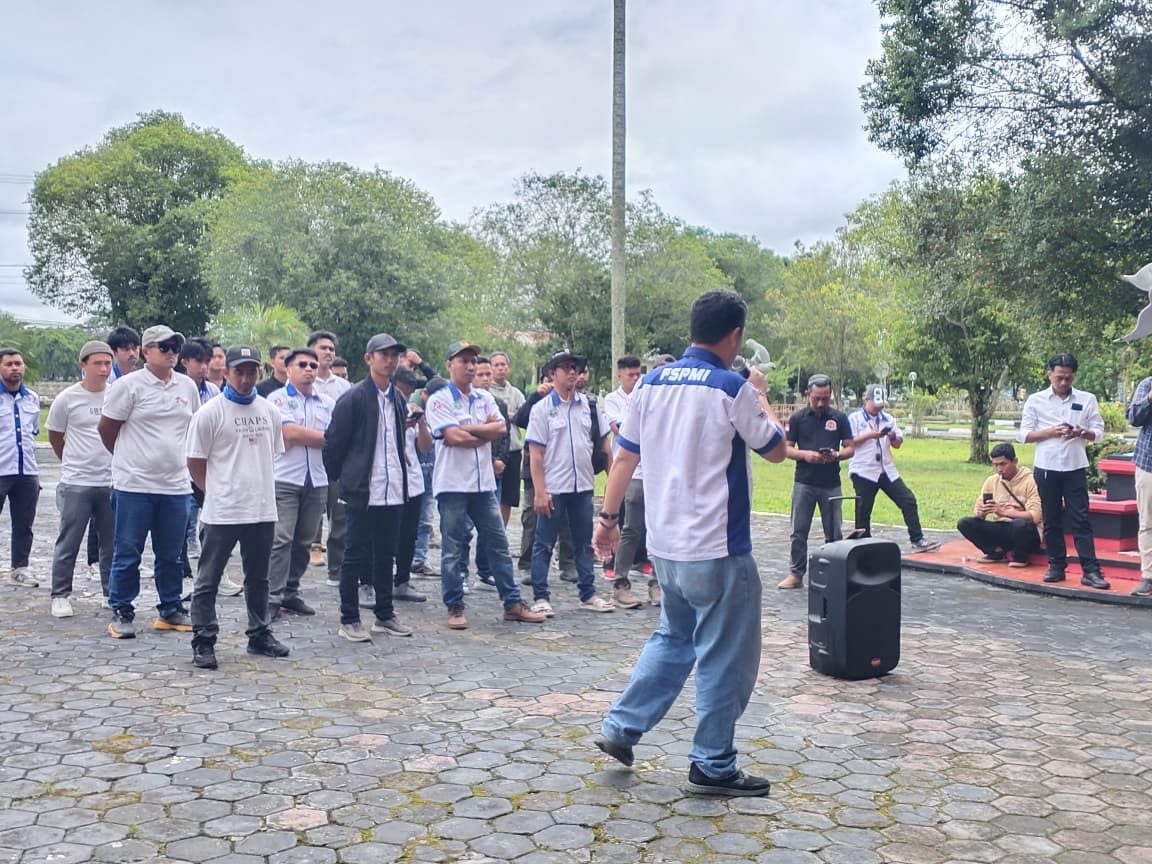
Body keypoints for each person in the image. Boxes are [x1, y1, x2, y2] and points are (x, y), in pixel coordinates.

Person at [592, 289, 787, 797]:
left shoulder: (650, 384)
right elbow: (776, 449)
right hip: (718, 548)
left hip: (666, 547)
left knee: (674, 639)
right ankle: (713, 763)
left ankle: (621, 727)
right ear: (735, 335)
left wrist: (607, 519)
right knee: (726, 656)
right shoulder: (731, 387)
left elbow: (624, 458)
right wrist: (760, 393)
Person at [425, 341, 546, 629]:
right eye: (463, 361)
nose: (469, 366)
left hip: (484, 485)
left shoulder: (484, 398)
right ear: (449, 365)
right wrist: (481, 433)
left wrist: (466, 428)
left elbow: (501, 428)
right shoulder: (439, 400)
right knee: (453, 549)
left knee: (498, 543)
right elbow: (453, 438)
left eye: (473, 361)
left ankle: (512, 603)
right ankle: (455, 605)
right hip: (453, 485)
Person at [187, 346, 288, 669]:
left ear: (259, 372)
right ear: (226, 372)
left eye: (251, 372)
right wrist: (216, 491)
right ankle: (204, 639)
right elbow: (195, 462)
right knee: (209, 579)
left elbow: (271, 454)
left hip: (261, 508)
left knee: (258, 578)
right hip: (222, 511)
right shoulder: (210, 413)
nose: (245, 379)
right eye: (239, 372)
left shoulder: (269, 411)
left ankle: (259, 634)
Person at [99, 325, 200, 638]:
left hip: (176, 486)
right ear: (146, 351)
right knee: (128, 552)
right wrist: (131, 459)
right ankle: (122, 609)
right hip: (134, 485)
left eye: (175, 347)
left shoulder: (187, 386)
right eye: (164, 347)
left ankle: (170, 608)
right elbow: (107, 429)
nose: (171, 352)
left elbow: (193, 430)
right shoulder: (128, 386)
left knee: (171, 554)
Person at [323, 333, 415, 642]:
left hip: (393, 489)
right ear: (368, 359)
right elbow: (333, 444)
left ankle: (384, 615)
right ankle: (349, 618)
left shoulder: (398, 399)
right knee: (355, 554)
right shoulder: (354, 398)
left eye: (394, 355)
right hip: (362, 490)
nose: (389, 360)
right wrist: (344, 480)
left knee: (386, 555)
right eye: (383, 354)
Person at [526, 350, 615, 616]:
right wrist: (539, 491)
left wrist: (612, 482)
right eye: (565, 367)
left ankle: (588, 593)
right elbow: (536, 454)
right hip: (554, 487)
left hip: (583, 486)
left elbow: (605, 447)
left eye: (575, 367)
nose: (572, 372)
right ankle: (541, 595)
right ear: (552, 374)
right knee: (544, 542)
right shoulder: (542, 409)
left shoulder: (589, 406)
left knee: (584, 542)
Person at [1019, 353, 1109, 589]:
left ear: (1074, 376)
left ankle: (1091, 570)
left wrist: (1081, 432)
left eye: (1068, 378)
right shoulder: (1036, 400)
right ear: (1049, 374)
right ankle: (1056, 565)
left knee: (1081, 519)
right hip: (1046, 467)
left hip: (1074, 466)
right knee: (1051, 519)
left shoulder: (1087, 399)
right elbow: (1024, 435)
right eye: (1059, 377)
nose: (1063, 382)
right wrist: (1051, 432)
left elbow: (1099, 432)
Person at [46, 341, 115, 615]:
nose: (103, 369)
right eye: (97, 363)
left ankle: (111, 593)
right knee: (69, 540)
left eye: (107, 363)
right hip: (77, 481)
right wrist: (70, 461)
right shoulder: (68, 398)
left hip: (110, 481)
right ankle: (60, 594)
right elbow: (55, 435)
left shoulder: (116, 395)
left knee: (111, 543)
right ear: (83, 365)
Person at [266, 347, 334, 617]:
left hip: (317, 479)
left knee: (304, 541)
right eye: (302, 364)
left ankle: (290, 592)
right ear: (288, 369)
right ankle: (271, 598)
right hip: (284, 478)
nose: (309, 369)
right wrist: (324, 438)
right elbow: (289, 433)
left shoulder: (327, 403)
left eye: (313, 366)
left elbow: (337, 436)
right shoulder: (276, 399)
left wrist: (313, 437)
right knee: (281, 539)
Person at [779, 373, 855, 589]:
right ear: (807, 395)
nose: (821, 403)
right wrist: (805, 455)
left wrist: (836, 455)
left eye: (825, 398)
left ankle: (835, 574)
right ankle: (796, 574)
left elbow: (850, 447)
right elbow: (786, 449)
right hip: (804, 482)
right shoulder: (797, 418)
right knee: (798, 531)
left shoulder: (839, 418)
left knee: (834, 533)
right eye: (817, 398)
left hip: (831, 483)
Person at [847, 385, 939, 553]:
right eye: (875, 405)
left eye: (881, 405)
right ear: (866, 399)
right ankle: (862, 545)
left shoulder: (888, 419)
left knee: (908, 499)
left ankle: (917, 539)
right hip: (863, 470)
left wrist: (893, 437)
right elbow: (848, 443)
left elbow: (897, 444)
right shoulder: (855, 418)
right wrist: (870, 435)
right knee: (863, 509)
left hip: (886, 469)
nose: (878, 408)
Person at [603, 355, 656, 608]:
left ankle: (657, 583)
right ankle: (620, 581)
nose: (635, 379)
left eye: (638, 374)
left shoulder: (650, 395)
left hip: (655, 471)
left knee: (657, 528)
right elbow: (620, 429)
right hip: (632, 472)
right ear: (620, 375)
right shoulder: (613, 400)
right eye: (630, 374)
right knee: (631, 528)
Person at [514, 371, 577, 583]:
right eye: (547, 380)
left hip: (563, 468)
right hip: (535, 467)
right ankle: (528, 564)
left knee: (566, 518)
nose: (551, 385)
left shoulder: (570, 402)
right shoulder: (537, 402)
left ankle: (568, 562)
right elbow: (519, 419)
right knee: (532, 517)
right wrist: (535, 396)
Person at [308, 330, 351, 583]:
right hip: (309, 460)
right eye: (323, 348)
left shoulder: (344, 386)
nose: (328, 352)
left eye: (331, 349)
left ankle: (337, 571)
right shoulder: (303, 382)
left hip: (338, 461)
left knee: (340, 517)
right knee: (306, 520)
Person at [956, 443, 1042, 567]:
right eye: (995, 465)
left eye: (1003, 464)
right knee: (964, 523)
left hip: (1025, 531)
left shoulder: (1031, 481)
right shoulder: (991, 481)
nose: (999, 469)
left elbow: (1035, 517)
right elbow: (978, 510)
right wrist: (980, 513)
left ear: (1015, 461)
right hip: (1002, 526)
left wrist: (1004, 512)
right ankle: (995, 552)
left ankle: (1020, 557)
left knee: (1020, 526)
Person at [386, 367, 431, 603]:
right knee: (385, 535)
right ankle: (377, 582)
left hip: (412, 481)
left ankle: (402, 581)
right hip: (388, 481)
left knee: (409, 534)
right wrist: (401, 427)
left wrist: (421, 422)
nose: (404, 398)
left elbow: (425, 447)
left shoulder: (411, 409)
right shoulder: (381, 409)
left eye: (408, 393)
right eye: (401, 392)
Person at [0, 347, 41, 587]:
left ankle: (20, 567)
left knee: (24, 523)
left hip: (27, 471)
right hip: (1, 470)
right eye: (9, 364)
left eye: (18, 363)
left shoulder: (32, 398)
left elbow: (33, 431)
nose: (14, 368)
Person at [488, 352, 526, 526]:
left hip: (513, 450)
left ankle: (501, 530)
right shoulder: (486, 392)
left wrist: (510, 416)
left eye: (503, 364)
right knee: (490, 495)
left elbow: (524, 415)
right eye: (496, 365)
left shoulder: (515, 393)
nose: (500, 368)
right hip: (493, 452)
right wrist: (510, 415)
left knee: (508, 498)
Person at [1125, 372, 1152, 597]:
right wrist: (1150, 398)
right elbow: (1133, 417)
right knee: (1148, 523)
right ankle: (1148, 577)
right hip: (1148, 464)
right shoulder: (1148, 384)